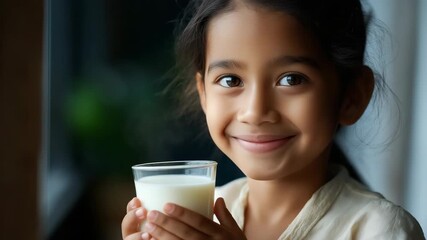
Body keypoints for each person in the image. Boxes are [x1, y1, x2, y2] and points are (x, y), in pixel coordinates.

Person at [121, 0, 425, 239]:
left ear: (351, 96)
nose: (255, 111)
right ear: (203, 94)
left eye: (291, 79)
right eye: (230, 80)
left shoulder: (382, 230)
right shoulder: (199, 216)